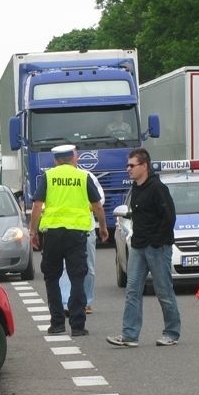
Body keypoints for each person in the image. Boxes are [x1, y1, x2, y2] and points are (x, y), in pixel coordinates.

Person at [29, 144, 108, 337]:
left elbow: (37, 205)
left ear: (55, 160)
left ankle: (57, 324)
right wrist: (103, 227)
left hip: (53, 235)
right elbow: (97, 205)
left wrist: (33, 232)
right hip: (77, 234)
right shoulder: (84, 177)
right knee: (77, 277)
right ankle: (78, 325)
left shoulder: (48, 177)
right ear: (73, 158)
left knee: (52, 278)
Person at [106, 148, 181, 348]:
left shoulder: (158, 188)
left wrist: (157, 241)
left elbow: (169, 217)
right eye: (127, 165)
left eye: (132, 165)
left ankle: (171, 332)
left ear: (144, 166)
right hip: (138, 247)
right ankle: (130, 335)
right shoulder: (136, 188)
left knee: (164, 291)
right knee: (132, 291)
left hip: (157, 248)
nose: (128, 169)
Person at [59, 168, 104, 314]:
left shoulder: (86, 176)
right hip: (64, 229)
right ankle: (67, 303)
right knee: (66, 268)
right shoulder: (55, 177)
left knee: (88, 267)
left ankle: (86, 301)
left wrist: (85, 207)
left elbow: (100, 199)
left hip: (86, 229)